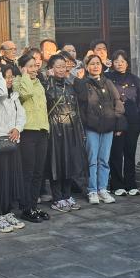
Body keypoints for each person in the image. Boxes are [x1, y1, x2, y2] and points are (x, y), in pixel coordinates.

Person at [75, 53, 126, 204]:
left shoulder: (107, 82)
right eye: (92, 63)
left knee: (104, 159)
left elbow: (118, 102)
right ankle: (92, 190)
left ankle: (102, 189)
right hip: (92, 127)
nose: (96, 66)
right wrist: (80, 80)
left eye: (98, 63)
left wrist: (117, 121)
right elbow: (81, 100)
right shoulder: (84, 83)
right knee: (92, 160)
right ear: (86, 66)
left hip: (108, 126)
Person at [45, 54, 88, 212]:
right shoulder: (47, 85)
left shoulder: (70, 85)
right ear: (51, 68)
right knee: (57, 163)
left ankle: (67, 195)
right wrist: (49, 79)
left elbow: (82, 98)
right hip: (55, 128)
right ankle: (57, 198)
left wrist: (75, 78)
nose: (61, 70)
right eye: (58, 67)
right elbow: (49, 98)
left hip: (71, 127)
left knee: (70, 161)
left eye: (63, 66)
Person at [0, 63, 27, 234]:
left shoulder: (14, 96)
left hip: (13, 142)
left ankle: (7, 212)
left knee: (11, 179)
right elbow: (1, 93)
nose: (9, 80)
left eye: (11, 76)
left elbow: (21, 114)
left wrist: (18, 128)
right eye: (6, 77)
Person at [106, 50, 140, 196]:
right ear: (112, 63)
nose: (119, 64)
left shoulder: (134, 79)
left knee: (130, 153)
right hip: (117, 121)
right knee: (116, 153)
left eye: (122, 61)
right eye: (116, 61)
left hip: (133, 121)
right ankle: (117, 184)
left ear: (127, 63)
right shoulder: (108, 77)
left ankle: (131, 184)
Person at [15, 52, 51, 223]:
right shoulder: (18, 82)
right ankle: (25, 208)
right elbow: (26, 94)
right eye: (29, 66)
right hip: (27, 131)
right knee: (28, 172)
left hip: (41, 130)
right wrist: (24, 75)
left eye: (35, 66)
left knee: (38, 172)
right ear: (22, 68)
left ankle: (34, 206)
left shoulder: (39, 83)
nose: (34, 69)